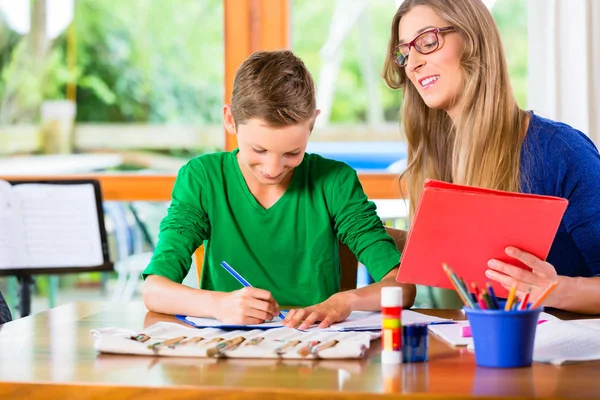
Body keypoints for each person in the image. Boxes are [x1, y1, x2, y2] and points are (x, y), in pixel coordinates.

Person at [142, 50, 416, 329]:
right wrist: (217, 305)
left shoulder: (336, 181)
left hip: (318, 351)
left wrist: (346, 301)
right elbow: (154, 289)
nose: (273, 168)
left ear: (313, 123)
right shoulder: (202, 178)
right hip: (228, 354)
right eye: (258, 149)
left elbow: (402, 288)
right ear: (230, 119)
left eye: (292, 152)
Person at [382, 0, 600, 314]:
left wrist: (557, 291)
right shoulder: (445, 154)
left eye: (427, 42)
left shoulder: (561, 151)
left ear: (473, 41)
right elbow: (461, 254)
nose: (412, 63)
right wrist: (364, 232)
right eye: (404, 52)